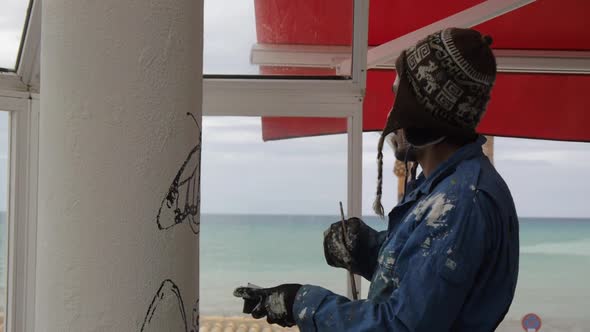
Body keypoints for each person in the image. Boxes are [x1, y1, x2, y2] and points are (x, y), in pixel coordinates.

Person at [234, 28, 519, 331]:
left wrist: (300, 302)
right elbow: (424, 283)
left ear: (425, 114)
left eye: (399, 100)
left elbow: (399, 326)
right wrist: (368, 249)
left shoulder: (459, 205)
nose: (390, 116)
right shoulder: (441, 187)